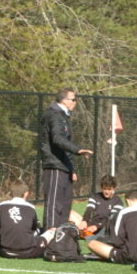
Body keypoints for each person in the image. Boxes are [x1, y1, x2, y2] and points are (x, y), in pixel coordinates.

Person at [40, 87, 93, 230]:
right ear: (64, 100)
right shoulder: (54, 115)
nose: (75, 102)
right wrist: (78, 150)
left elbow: (64, 143)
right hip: (55, 165)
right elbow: (57, 139)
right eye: (73, 99)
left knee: (65, 204)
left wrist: (71, 169)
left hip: (64, 167)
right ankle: (51, 234)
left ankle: (62, 236)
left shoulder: (63, 116)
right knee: (54, 204)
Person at [87, 190, 137, 264]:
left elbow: (117, 241)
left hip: (131, 256)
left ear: (127, 201)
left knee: (92, 243)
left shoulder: (123, 213)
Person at [0, 180, 54, 259]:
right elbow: (35, 228)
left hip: (4, 251)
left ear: (11, 192)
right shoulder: (30, 207)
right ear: (26, 194)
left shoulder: (1, 206)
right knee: (51, 232)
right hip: (28, 252)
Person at [72, 174, 123, 239]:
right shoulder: (95, 196)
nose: (106, 192)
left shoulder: (118, 201)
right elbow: (89, 209)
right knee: (70, 213)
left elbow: (111, 218)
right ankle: (82, 233)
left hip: (105, 227)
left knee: (79, 234)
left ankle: (85, 234)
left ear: (114, 188)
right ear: (101, 188)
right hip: (92, 224)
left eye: (109, 189)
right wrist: (84, 221)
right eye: (104, 189)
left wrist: (96, 226)